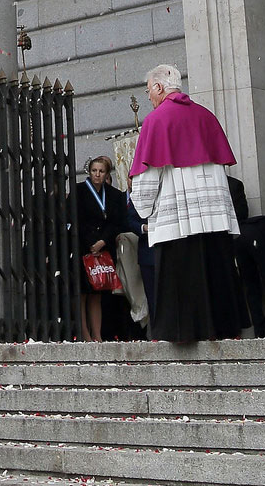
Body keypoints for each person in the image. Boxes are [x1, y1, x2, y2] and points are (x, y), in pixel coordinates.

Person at [129, 63, 246, 344]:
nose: (149, 97)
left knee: (181, 284)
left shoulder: (156, 121)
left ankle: (183, 335)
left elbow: (147, 176)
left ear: (159, 87)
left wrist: (141, 206)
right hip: (213, 219)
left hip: (178, 222)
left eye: (149, 90)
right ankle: (223, 329)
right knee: (216, 275)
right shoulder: (206, 116)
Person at [75, 157, 134, 341]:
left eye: (101, 171)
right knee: (83, 292)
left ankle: (97, 334)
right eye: (94, 171)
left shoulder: (113, 194)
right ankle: (85, 332)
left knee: (98, 292)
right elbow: (77, 219)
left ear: (107, 173)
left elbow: (116, 222)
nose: (97, 175)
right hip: (84, 247)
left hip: (104, 247)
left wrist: (102, 241)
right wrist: (90, 242)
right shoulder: (79, 191)